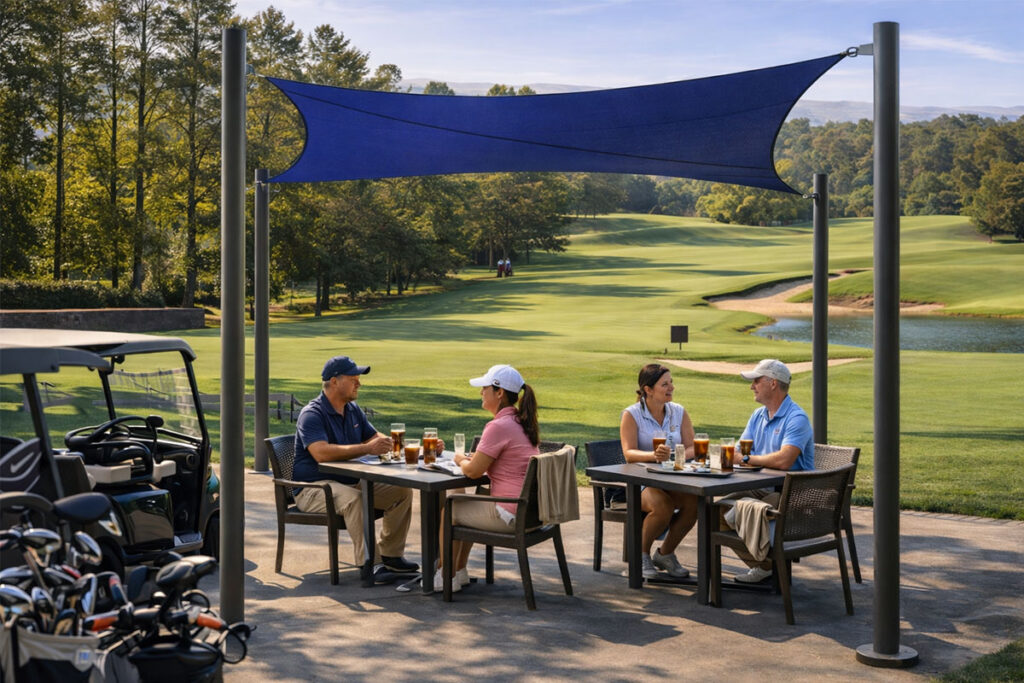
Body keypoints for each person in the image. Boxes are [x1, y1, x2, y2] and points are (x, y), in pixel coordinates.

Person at [292, 355, 419, 584]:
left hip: (347, 482)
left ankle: (391, 554)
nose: (359, 383)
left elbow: (373, 436)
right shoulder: (312, 414)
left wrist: (399, 446)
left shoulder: (352, 409)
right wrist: (365, 448)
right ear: (334, 382)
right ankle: (372, 565)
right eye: (353, 379)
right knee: (354, 500)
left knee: (401, 492)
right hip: (312, 487)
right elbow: (320, 453)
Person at [435, 364, 539, 592]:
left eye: (484, 388)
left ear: (499, 392)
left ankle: (445, 576)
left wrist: (461, 459)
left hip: (509, 512)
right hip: (530, 513)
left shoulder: (499, 426)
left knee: (450, 510)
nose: (481, 392)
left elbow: (472, 471)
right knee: (461, 500)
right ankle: (458, 572)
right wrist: (473, 460)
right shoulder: (521, 422)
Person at [727, 358, 815, 583]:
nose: (751, 386)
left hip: (792, 496)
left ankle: (769, 568)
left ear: (773, 383)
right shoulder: (758, 415)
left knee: (736, 511)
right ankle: (765, 566)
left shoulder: (797, 418)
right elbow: (737, 451)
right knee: (712, 511)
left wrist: (747, 459)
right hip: (762, 489)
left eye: (756, 381)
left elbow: (784, 460)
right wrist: (743, 458)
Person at [619, 364, 697, 580]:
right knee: (663, 506)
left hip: (673, 478)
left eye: (671, 382)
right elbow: (629, 453)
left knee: (695, 503)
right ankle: (640, 556)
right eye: (665, 384)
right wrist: (653, 456)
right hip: (641, 482)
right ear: (648, 389)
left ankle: (665, 553)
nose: (671, 387)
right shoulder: (631, 415)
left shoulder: (679, 412)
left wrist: (674, 453)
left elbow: (692, 447)